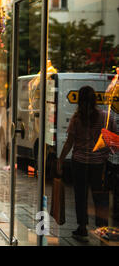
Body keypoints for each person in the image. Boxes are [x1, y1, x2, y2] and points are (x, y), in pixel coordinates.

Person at [57, 85, 115, 242]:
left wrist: (60, 161)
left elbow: (69, 142)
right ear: (95, 100)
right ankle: (102, 229)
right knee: (100, 197)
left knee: (80, 196)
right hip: (99, 165)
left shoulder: (76, 119)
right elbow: (113, 137)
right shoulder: (104, 117)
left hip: (80, 163)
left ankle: (82, 227)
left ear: (79, 101)